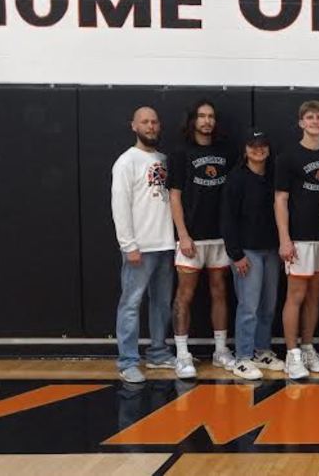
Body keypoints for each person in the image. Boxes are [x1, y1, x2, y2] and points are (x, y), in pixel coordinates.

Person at [167, 100, 235, 379]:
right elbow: (174, 196)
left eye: (211, 116)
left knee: (220, 291)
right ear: (193, 120)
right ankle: (182, 355)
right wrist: (183, 234)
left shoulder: (226, 152)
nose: (207, 121)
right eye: (202, 116)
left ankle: (220, 351)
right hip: (191, 238)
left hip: (219, 236)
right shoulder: (180, 153)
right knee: (185, 294)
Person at [111, 106, 175, 383]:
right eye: (144, 122)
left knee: (161, 303)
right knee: (131, 303)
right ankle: (127, 361)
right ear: (133, 126)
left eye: (154, 122)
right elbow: (119, 205)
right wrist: (129, 245)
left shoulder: (163, 159)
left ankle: (158, 353)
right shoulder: (127, 161)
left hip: (165, 245)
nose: (150, 126)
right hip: (140, 247)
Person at [274, 100, 319, 379]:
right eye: (309, 117)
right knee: (295, 295)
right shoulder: (288, 157)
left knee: (315, 296)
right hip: (298, 239)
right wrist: (285, 238)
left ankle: (308, 347)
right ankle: (292, 354)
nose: (314, 122)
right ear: (301, 123)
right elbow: (280, 200)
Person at [220, 130, 284, 380]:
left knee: (268, 306)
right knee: (248, 307)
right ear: (245, 150)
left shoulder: (273, 177)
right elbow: (227, 219)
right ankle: (243, 357)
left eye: (263, 145)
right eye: (253, 145)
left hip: (271, 251)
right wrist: (236, 254)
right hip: (247, 252)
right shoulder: (236, 179)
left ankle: (261, 350)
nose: (259, 150)